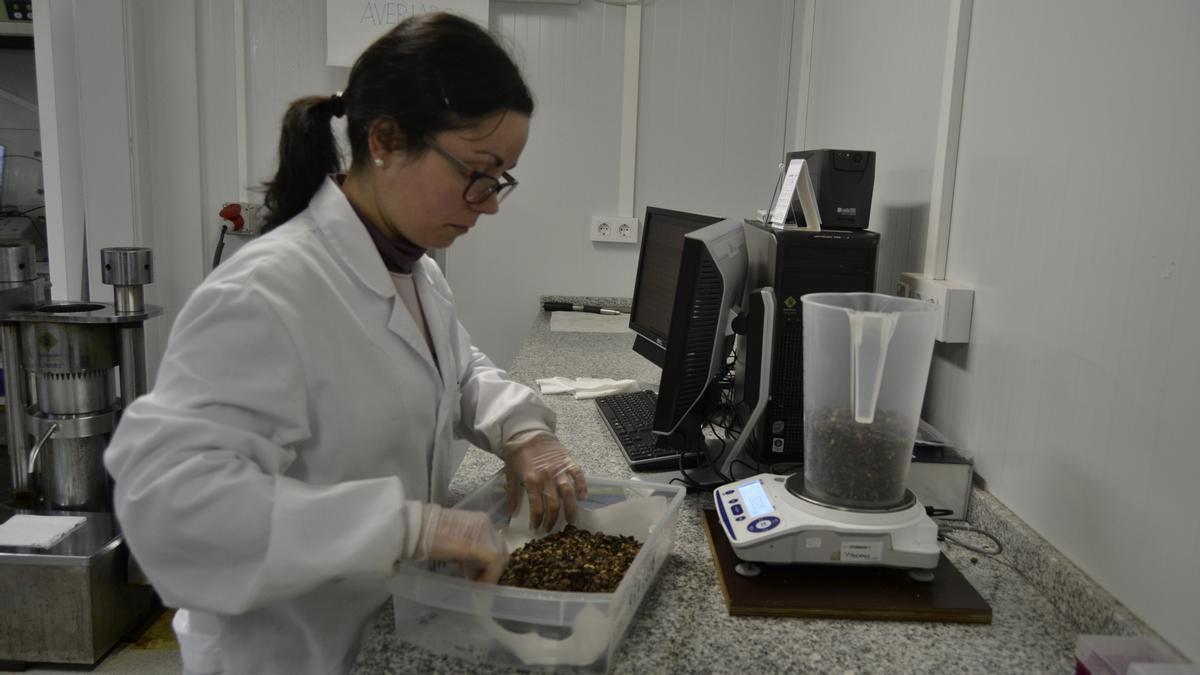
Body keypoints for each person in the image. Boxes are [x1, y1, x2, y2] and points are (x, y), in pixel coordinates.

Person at [104, 13, 587, 675]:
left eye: (500, 177)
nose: (489, 202)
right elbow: (170, 503)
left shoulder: (413, 268)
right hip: (290, 655)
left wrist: (524, 430)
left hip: (384, 637)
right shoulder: (264, 295)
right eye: (477, 171)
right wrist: (411, 527)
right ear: (385, 138)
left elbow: (456, 368)